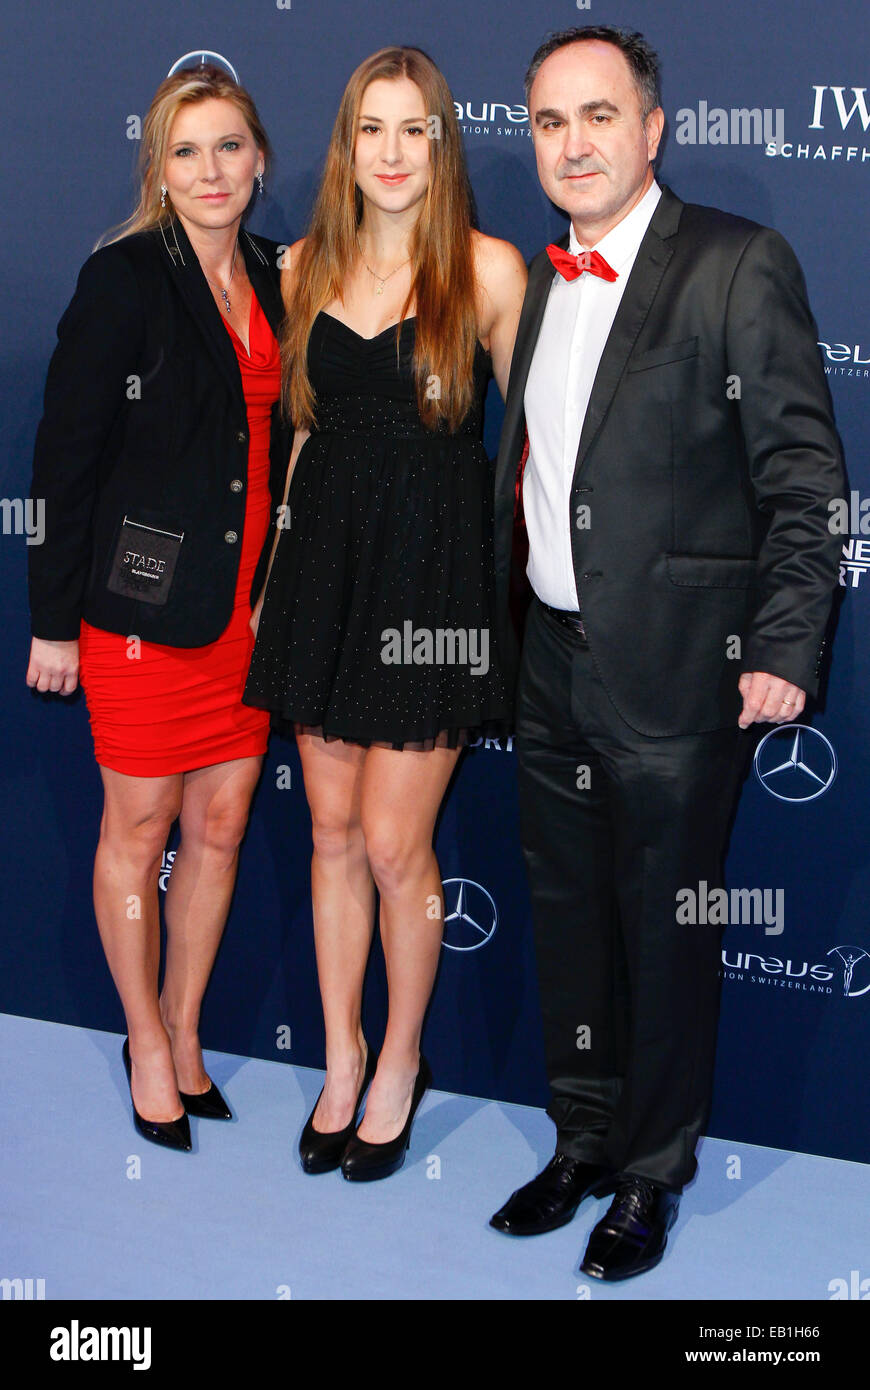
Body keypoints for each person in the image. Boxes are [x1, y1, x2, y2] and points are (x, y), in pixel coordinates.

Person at [488, 26, 845, 1278]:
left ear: (654, 128)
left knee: (667, 928)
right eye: (548, 123)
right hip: (551, 660)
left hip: (687, 670)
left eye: (599, 116)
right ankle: (581, 1137)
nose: (573, 144)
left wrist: (787, 641)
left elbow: (805, 480)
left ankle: (650, 1173)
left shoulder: (739, 266)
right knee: (571, 917)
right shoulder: (540, 282)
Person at [243, 45, 527, 1181]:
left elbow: (544, 442)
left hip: (438, 587)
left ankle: (403, 1059)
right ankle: (343, 1055)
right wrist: (269, 574)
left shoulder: (489, 272)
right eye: (373, 128)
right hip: (323, 575)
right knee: (329, 836)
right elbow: (300, 438)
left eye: (415, 129)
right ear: (346, 146)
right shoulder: (301, 264)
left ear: (442, 142)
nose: (393, 152)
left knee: (398, 841)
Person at [26, 62, 289, 1151]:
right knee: (138, 831)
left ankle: (184, 1031)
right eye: (186, 151)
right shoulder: (124, 279)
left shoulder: (279, 275)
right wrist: (52, 621)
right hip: (138, 618)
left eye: (229, 146)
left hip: (248, 617)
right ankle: (142, 1038)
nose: (210, 170)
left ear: (260, 159)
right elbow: (64, 459)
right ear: (158, 167)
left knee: (219, 827)